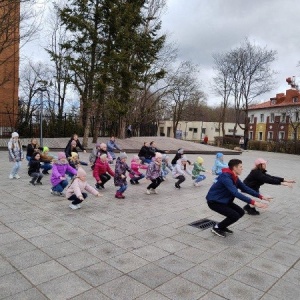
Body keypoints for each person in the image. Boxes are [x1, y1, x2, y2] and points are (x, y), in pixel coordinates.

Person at [206, 159, 271, 238]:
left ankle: (222, 226)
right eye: (240, 167)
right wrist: (254, 202)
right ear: (234, 168)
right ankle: (217, 227)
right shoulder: (226, 178)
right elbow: (235, 193)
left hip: (224, 200)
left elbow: (245, 188)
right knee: (234, 215)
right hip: (215, 202)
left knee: (240, 212)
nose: (242, 168)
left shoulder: (234, 177)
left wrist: (261, 196)